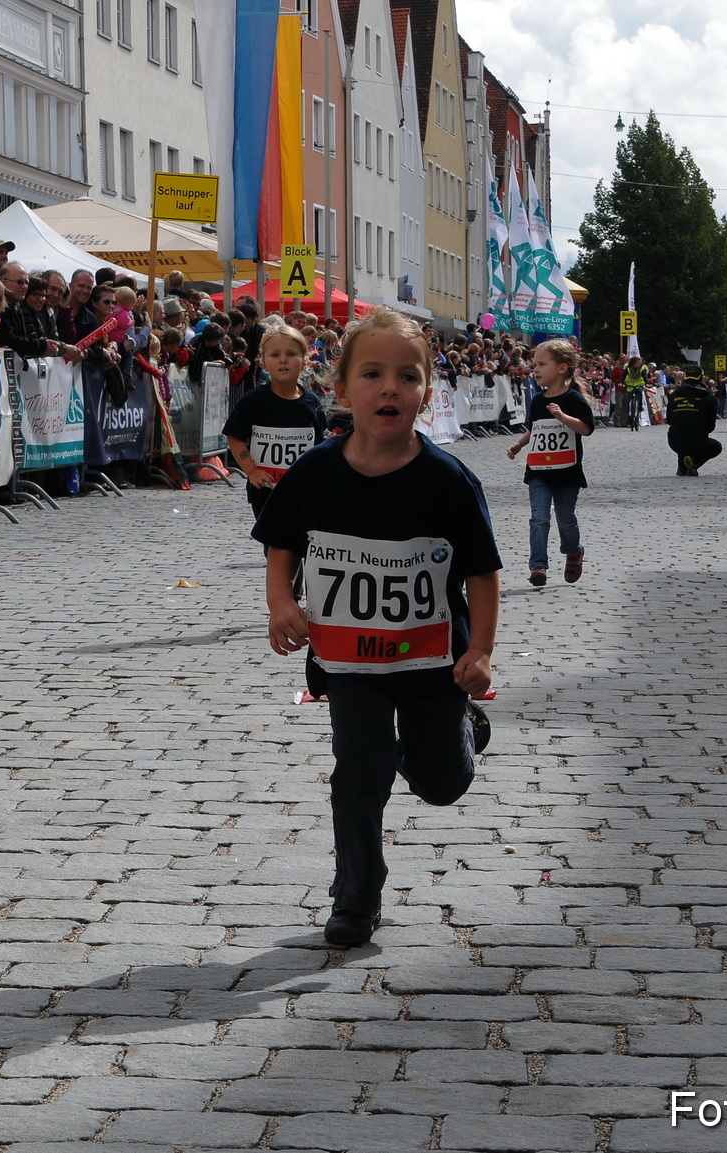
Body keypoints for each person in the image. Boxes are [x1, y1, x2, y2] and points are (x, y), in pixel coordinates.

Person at [254, 307, 500, 948]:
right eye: (372, 374)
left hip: (430, 663)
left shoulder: (448, 479)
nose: (390, 387)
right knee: (357, 771)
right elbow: (281, 543)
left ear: (426, 392)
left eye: (407, 376)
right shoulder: (315, 471)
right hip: (349, 662)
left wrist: (479, 650)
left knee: (440, 784)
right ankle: (355, 899)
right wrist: (282, 602)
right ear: (341, 390)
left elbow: (481, 571)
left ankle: (462, 731)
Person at [505, 339, 594, 586]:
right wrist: (519, 445)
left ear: (562, 368)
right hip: (539, 470)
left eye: (542, 364)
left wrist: (563, 416)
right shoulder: (537, 400)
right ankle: (538, 565)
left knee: (566, 519)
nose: (535, 370)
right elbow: (535, 429)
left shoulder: (574, 399)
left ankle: (573, 551)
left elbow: (586, 429)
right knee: (539, 518)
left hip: (566, 471)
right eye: (535, 364)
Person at [224, 319, 328, 524]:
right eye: (275, 355)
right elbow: (234, 437)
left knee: (299, 545)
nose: (283, 360)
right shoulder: (253, 401)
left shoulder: (312, 401)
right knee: (275, 546)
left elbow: (319, 445)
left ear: (304, 359)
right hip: (265, 490)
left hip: (301, 490)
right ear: (263, 361)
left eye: (291, 354)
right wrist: (252, 471)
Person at [666, 371, 722, 476]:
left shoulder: (674, 394)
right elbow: (711, 426)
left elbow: (669, 420)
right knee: (716, 447)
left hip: (674, 441)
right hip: (698, 440)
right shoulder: (708, 397)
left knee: (681, 431)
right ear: (701, 378)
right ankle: (694, 463)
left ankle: (682, 467)